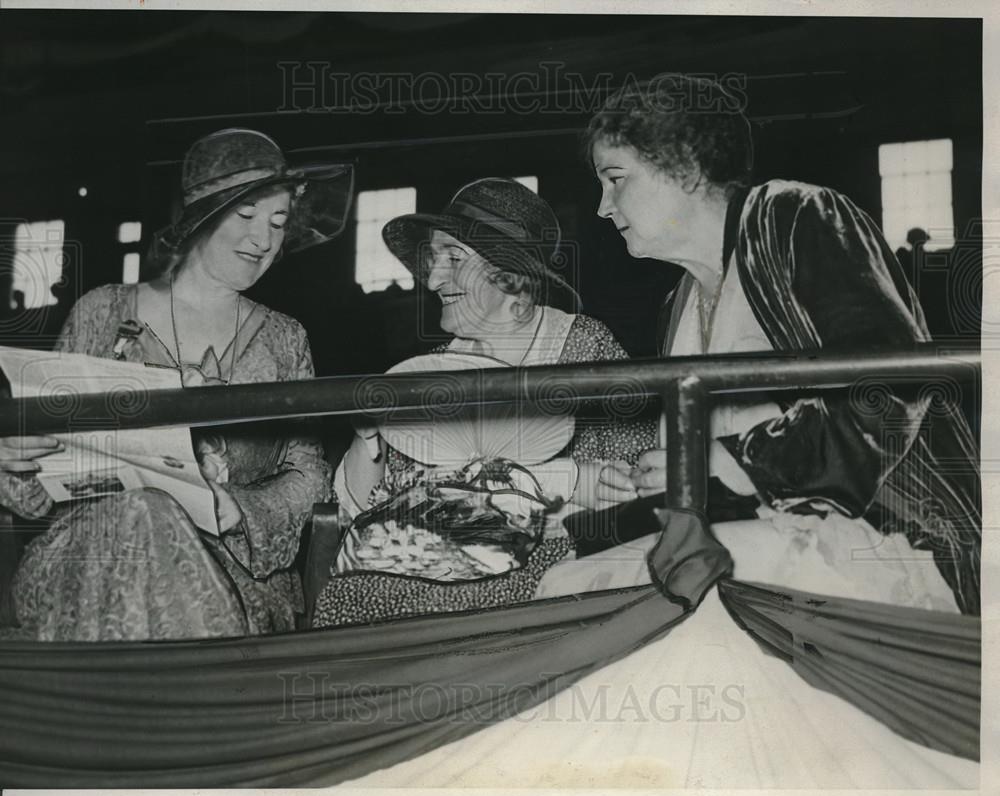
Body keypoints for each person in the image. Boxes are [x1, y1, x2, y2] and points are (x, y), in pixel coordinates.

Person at [586, 73, 979, 616]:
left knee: (632, 601)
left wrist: (724, 459)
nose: (603, 207)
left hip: (887, 534)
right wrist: (651, 483)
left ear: (685, 166)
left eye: (615, 179)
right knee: (577, 581)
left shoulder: (795, 216)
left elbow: (888, 389)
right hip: (757, 536)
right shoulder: (677, 301)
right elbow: (717, 474)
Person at [0, 128, 354, 641]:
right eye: (247, 215)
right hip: (88, 555)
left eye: (279, 221)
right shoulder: (102, 312)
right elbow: (42, 460)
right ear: (201, 217)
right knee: (143, 511)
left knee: (153, 513)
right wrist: (14, 452)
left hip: (231, 572)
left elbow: (309, 476)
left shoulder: (284, 339)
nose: (264, 239)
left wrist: (240, 509)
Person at [313, 177, 656, 627]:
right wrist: (369, 440)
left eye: (453, 259)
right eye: (434, 259)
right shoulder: (431, 370)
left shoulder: (584, 349)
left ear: (510, 275)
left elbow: (632, 487)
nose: (433, 278)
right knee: (347, 595)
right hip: (431, 560)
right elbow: (363, 512)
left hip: (555, 564)